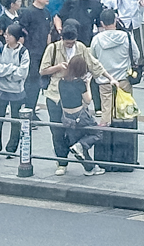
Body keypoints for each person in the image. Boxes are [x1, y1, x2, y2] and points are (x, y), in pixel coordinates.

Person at [41, 20, 110, 176]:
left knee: (76, 134)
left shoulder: (81, 48)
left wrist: (109, 77)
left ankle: (87, 165)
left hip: (73, 96)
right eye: (67, 43)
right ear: (62, 39)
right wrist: (58, 67)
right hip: (55, 94)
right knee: (57, 130)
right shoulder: (52, 48)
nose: (70, 45)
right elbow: (43, 70)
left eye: (72, 43)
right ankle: (62, 162)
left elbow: (94, 64)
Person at [0, 23, 30, 156]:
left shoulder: (23, 52)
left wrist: (6, 70)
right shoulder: (1, 49)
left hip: (16, 90)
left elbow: (22, 73)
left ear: (16, 37)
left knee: (15, 121)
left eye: (9, 35)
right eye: (6, 34)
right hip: (1, 89)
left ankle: (12, 148)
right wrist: (11, 69)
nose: (6, 37)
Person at [58, 54, 103, 175]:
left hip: (67, 116)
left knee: (76, 144)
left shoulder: (61, 82)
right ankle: (82, 146)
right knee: (98, 133)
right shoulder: (79, 83)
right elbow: (88, 100)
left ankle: (89, 168)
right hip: (80, 115)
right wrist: (88, 84)